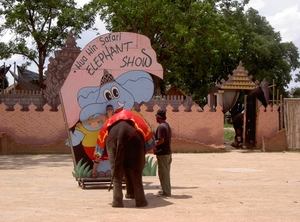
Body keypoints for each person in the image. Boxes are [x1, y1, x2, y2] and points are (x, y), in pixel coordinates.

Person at [77, 105, 114, 178]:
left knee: (115, 155)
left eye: (110, 110)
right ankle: (93, 172)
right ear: (106, 111)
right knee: (98, 156)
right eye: (108, 110)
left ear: (112, 110)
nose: (109, 111)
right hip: (103, 139)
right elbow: (93, 121)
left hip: (112, 139)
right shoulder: (103, 117)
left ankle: (117, 173)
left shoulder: (115, 117)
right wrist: (82, 123)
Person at [154, 109, 172, 197]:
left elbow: (161, 140)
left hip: (163, 153)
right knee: (165, 172)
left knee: (163, 173)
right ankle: (164, 189)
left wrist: (153, 145)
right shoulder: (167, 125)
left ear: (159, 117)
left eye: (156, 117)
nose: (156, 118)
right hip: (168, 153)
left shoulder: (161, 127)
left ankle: (166, 192)